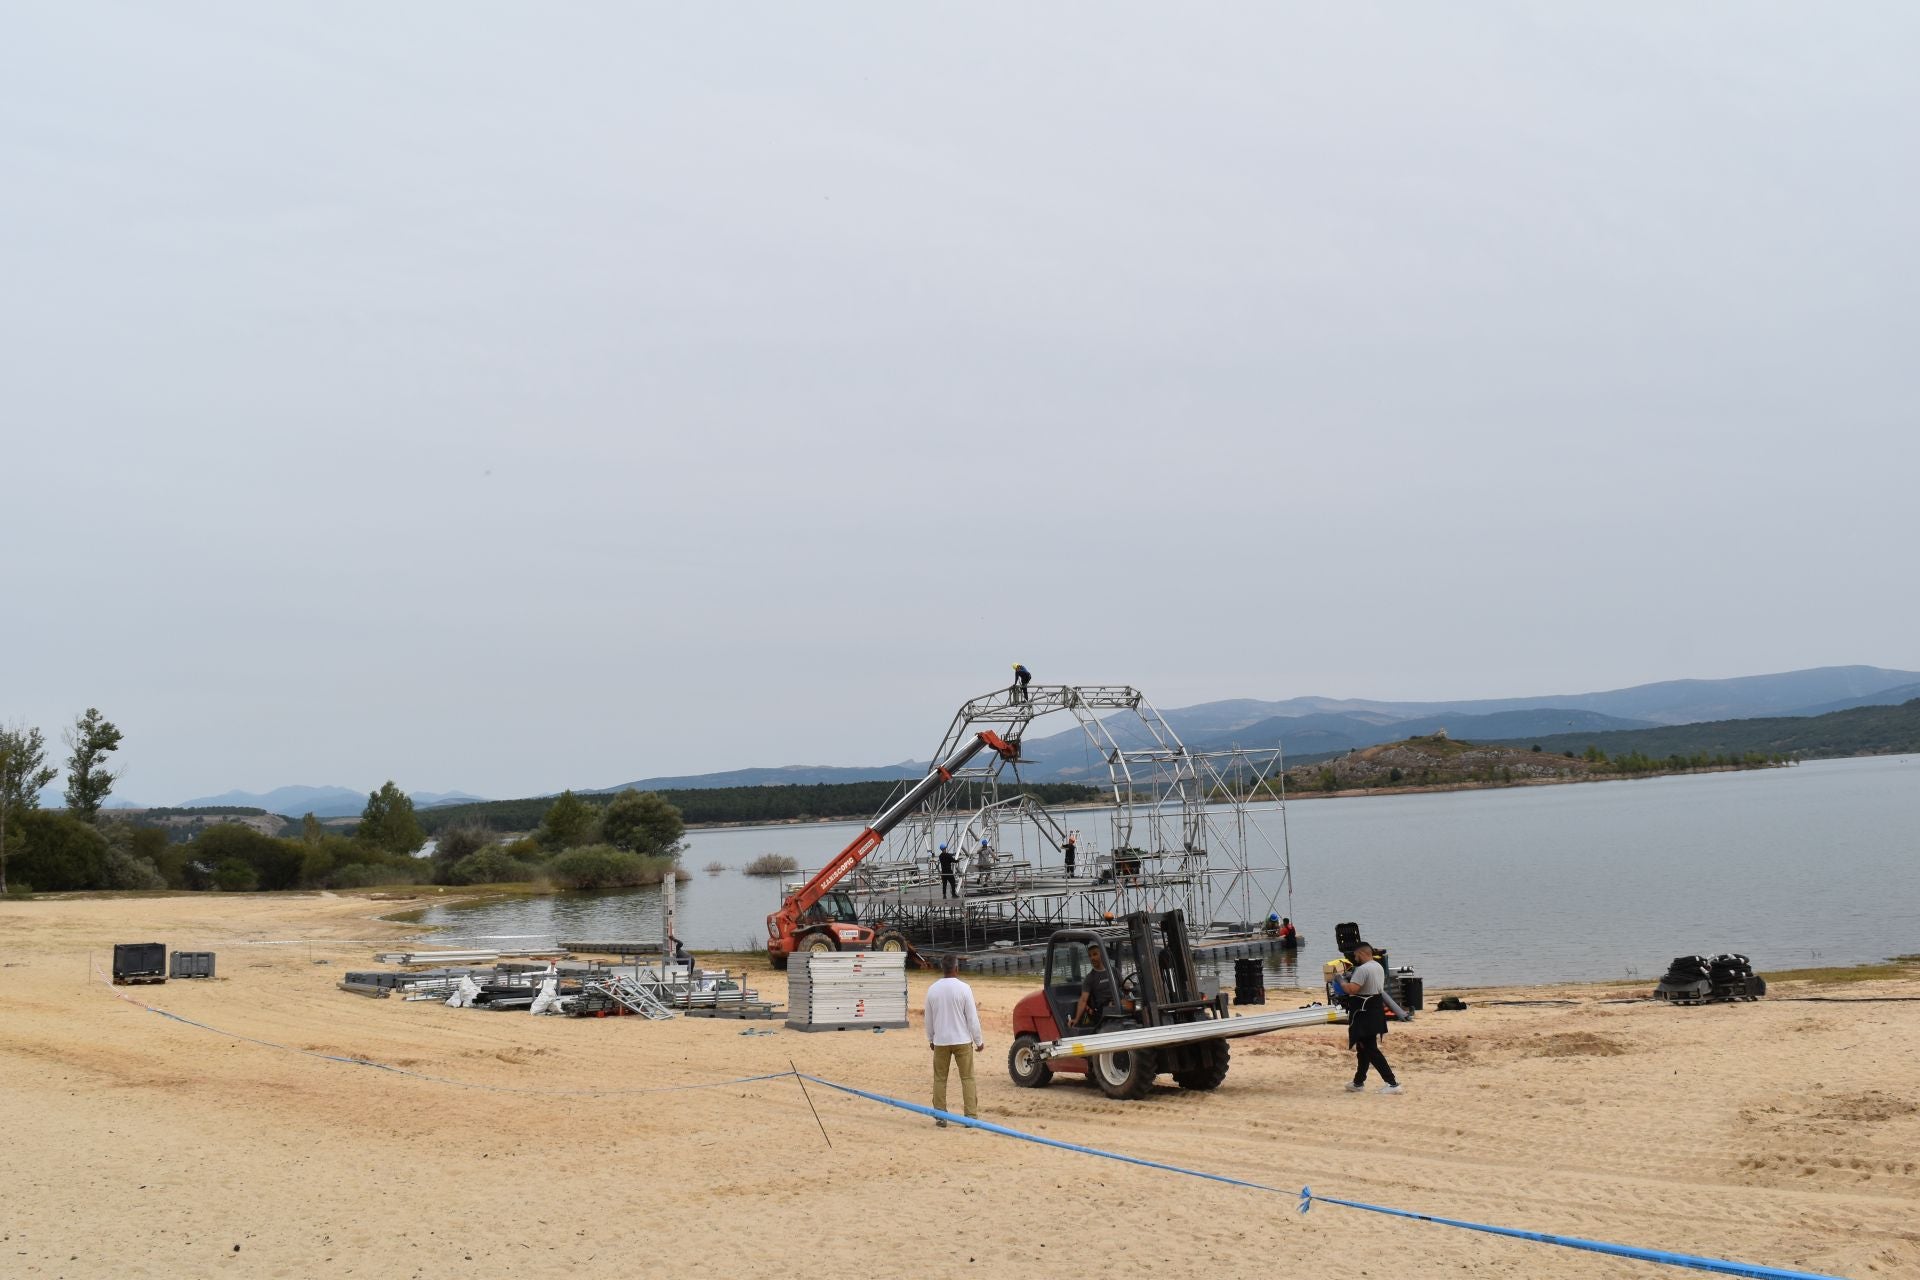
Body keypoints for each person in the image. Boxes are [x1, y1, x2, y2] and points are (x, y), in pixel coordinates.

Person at [924, 954, 984, 1127]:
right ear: (956, 968)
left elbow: (928, 1018)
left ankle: (940, 1115)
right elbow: (972, 1018)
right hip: (962, 1040)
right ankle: (970, 1116)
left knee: (940, 1079)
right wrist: (978, 1040)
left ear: (942, 968)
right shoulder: (964, 988)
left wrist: (931, 1038)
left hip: (941, 1040)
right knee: (967, 1078)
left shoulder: (932, 989)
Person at [1339, 941, 1402, 1094]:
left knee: (1371, 1049)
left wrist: (1339, 980)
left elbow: (1352, 990)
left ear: (1361, 953)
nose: (1354, 958)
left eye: (1355, 955)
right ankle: (1358, 1082)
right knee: (1363, 1048)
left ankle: (1393, 1084)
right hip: (1375, 1009)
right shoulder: (1378, 966)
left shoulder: (1363, 969)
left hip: (1364, 1012)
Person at [1072, 942, 1115, 1028]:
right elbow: (1083, 1000)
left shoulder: (1114, 971)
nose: (1092, 958)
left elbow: (1125, 987)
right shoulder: (1090, 978)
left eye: (1095, 954)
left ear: (1102, 955)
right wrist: (1076, 1019)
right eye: (1090, 956)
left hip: (1117, 1004)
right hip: (1102, 1010)